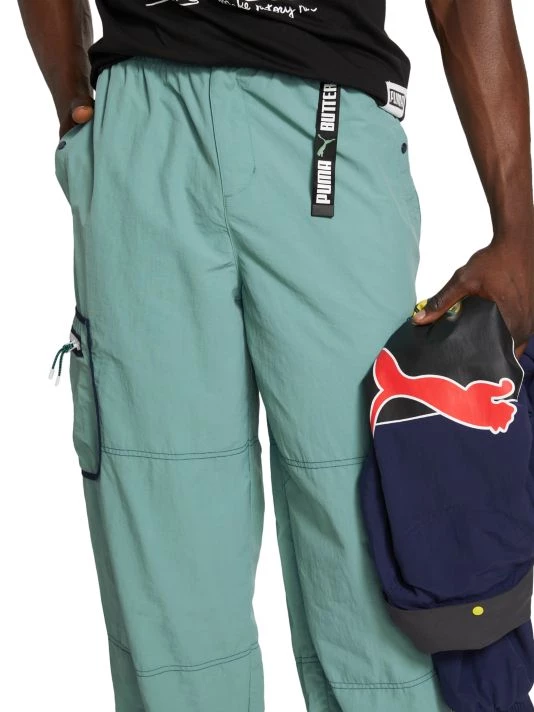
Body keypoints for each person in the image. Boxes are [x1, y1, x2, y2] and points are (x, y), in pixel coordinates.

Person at [17, 0, 534, 710]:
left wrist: (517, 228)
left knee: (383, 540)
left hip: (326, 118)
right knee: (166, 570)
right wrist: (73, 98)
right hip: (142, 119)